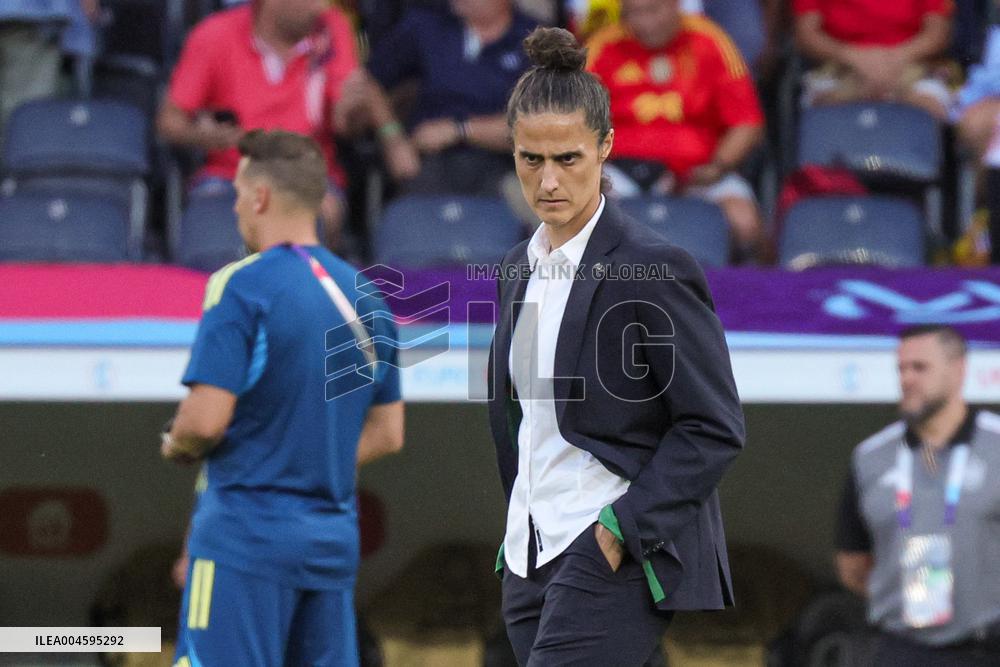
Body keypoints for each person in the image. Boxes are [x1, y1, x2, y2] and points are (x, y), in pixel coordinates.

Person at [487, 27, 746, 665]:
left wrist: (619, 529)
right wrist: (521, 518)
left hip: (608, 546)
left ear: (606, 147)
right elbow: (522, 421)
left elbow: (713, 426)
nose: (548, 180)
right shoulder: (514, 269)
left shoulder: (655, 267)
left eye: (568, 159)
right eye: (530, 159)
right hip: (527, 555)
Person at [161, 130, 404, 667]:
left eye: (236, 196)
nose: (236, 210)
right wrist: (308, 457)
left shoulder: (240, 286)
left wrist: (175, 443)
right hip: (330, 546)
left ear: (260, 197)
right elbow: (389, 433)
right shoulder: (368, 296)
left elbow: (204, 422)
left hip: (245, 538)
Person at [157, 0, 418, 249]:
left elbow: (345, 125)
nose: (320, 6)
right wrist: (202, 135)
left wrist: (358, 112)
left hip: (308, 176)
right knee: (214, 247)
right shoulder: (215, 34)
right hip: (231, 178)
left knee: (323, 213)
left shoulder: (332, 27)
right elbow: (169, 122)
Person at [835, 325, 1000, 666]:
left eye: (920, 367)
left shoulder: (996, 444)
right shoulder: (871, 457)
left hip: (987, 645)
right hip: (901, 648)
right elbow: (852, 564)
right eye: (901, 368)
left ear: (958, 370)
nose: (907, 379)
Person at [586, 0, 765, 258]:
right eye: (633, 13)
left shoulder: (710, 40)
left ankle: (738, 293)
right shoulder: (602, 46)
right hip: (622, 172)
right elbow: (577, 125)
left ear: (675, 5)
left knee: (745, 222)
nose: (644, 22)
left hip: (701, 172)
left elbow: (747, 123)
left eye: (652, 10)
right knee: (580, 218)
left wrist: (718, 166)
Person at [365, 0, 537, 197]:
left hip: (506, 166)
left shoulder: (535, 38)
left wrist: (460, 130)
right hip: (428, 163)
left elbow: (539, 126)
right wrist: (392, 138)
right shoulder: (428, 23)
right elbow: (370, 80)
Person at [792, 0, 954, 119]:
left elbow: (937, 33)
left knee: (929, 107)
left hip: (910, 61)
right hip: (839, 64)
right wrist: (852, 56)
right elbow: (806, 35)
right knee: (825, 111)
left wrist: (892, 59)